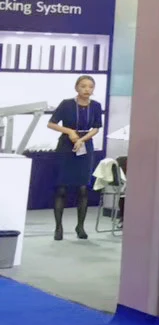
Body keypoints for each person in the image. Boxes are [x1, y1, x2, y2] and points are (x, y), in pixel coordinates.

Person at [46, 75, 103, 241]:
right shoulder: (67, 104)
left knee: (83, 188)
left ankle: (80, 226)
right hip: (66, 146)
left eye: (90, 87)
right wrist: (70, 132)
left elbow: (96, 128)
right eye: (83, 86)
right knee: (62, 188)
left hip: (85, 146)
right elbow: (51, 123)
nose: (87, 89)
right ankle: (58, 227)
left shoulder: (96, 106)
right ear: (76, 88)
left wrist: (82, 139)